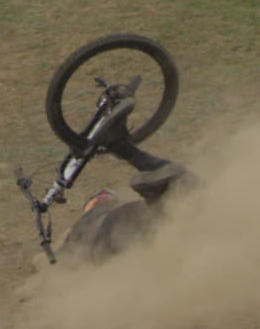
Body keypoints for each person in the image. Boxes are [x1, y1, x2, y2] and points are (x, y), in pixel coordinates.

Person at [56, 108, 195, 263]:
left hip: (116, 250)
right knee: (184, 191)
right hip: (121, 232)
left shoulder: (80, 233)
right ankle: (123, 149)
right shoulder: (98, 217)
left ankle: (155, 189)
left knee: (174, 206)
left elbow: (61, 262)